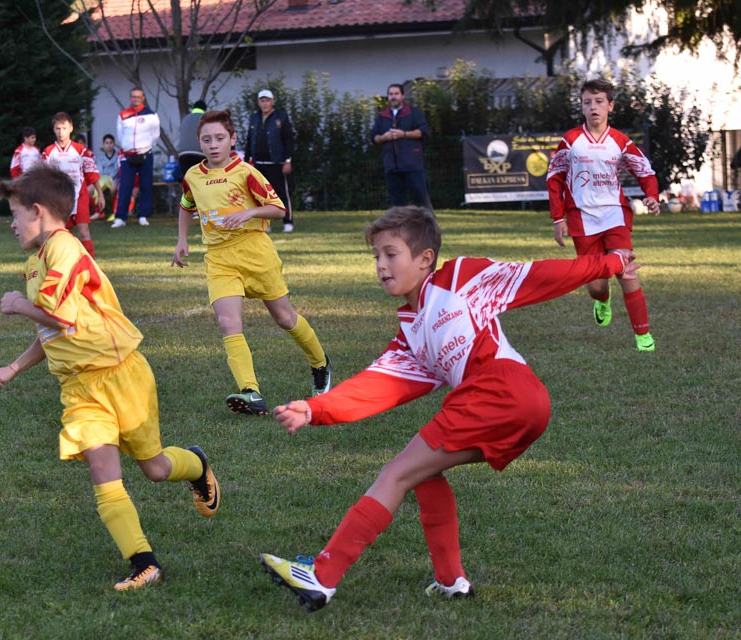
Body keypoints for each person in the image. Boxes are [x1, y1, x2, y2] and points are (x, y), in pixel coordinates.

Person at [259, 205, 642, 611]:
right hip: (525, 405)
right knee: (423, 472)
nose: (381, 265)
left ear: (425, 259)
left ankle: (322, 576)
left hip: (500, 390)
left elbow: (539, 275)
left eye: (391, 254)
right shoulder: (412, 332)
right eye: (376, 256)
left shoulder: (460, 277)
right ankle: (450, 581)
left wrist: (611, 262)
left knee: (395, 473)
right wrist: (315, 409)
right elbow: (376, 386)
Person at [0, 165, 221, 592]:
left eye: (15, 214)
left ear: (38, 211)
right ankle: (144, 563)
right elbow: (54, 330)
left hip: (121, 374)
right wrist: (14, 367)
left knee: (155, 468)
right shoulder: (36, 263)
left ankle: (196, 464)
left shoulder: (65, 249)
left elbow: (61, 316)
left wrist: (19, 305)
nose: (12, 224)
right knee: (102, 469)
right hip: (79, 388)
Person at [171, 109, 331, 416]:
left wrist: (249, 212)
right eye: (207, 139)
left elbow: (279, 209)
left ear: (232, 139)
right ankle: (251, 392)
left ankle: (320, 363)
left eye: (220, 138)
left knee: (284, 318)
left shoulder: (246, 173)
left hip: (255, 252)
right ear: (199, 142)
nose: (213, 145)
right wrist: (181, 239)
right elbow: (186, 205)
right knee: (227, 322)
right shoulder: (193, 176)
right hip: (219, 258)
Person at [547, 78, 661, 353]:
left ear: (610, 106)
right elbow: (554, 178)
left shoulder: (620, 141)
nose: (593, 107)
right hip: (582, 218)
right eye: (587, 102)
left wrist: (652, 196)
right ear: (582, 107)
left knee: (626, 271)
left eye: (599, 101)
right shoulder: (570, 141)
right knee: (596, 286)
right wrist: (558, 218)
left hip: (614, 215)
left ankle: (643, 336)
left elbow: (645, 171)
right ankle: (602, 299)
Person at [41, 113, 100, 257]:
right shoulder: (48, 152)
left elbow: (91, 172)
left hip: (79, 195)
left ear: (71, 128)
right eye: (58, 128)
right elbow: (43, 177)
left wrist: (100, 194)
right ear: (54, 129)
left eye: (64, 128)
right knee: (64, 234)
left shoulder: (80, 150)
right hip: (59, 198)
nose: (61, 132)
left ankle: (90, 264)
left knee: (84, 231)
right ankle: (69, 262)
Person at [371, 83, 432, 210]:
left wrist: (403, 134)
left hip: (412, 163)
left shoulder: (414, 113)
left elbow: (423, 132)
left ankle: (427, 222)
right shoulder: (382, 116)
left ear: (403, 96)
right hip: (391, 165)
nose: (393, 97)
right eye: (390, 94)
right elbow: (374, 137)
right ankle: (400, 223)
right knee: (396, 203)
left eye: (396, 94)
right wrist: (384, 137)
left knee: (421, 200)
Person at [244, 89, 295, 233]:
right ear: (259, 103)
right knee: (260, 194)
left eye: (267, 100)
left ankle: (288, 221)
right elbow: (249, 140)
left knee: (281, 193)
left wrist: (288, 160)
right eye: (262, 101)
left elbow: (288, 140)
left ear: (272, 102)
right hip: (258, 163)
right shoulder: (254, 118)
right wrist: (247, 160)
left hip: (276, 162)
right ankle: (266, 223)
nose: (265, 104)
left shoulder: (281, 117)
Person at [114, 87, 160, 228]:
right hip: (128, 156)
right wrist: (128, 147)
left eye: (138, 97)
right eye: (133, 96)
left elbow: (155, 135)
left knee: (146, 186)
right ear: (130, 98)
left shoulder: (151, 115)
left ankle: (143, 216)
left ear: (143, 98)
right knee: (125, 187)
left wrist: (145, 146)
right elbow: (120, 135)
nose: (136, 99)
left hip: (145, 154)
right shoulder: (123, 115)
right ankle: (120, 217)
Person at [92, 133, 120, 222]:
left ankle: (111, 212)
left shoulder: (118, 156)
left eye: (111, 143)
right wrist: (104, 177)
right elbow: (99, 170)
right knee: (89, 190)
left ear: (114, 144)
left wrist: (108, 177)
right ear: (103, 145)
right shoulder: (100, 156)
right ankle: (98, 212)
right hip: (102, 179)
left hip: (114, 179)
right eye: (107, 143)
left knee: (112, 190)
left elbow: (116, 170)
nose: (109, 145)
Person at [177, 100, 207, 177]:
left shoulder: (185, 119)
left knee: (188, 181)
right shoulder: (206, 119)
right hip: (200, 155)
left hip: (183, 156)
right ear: (204, 109)